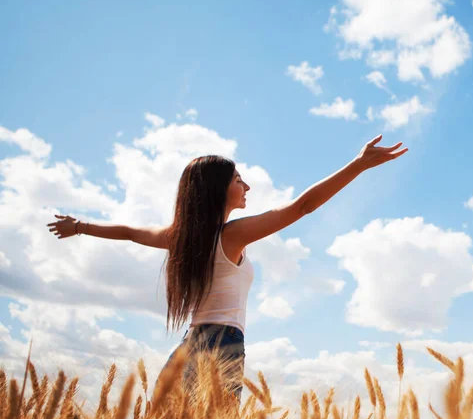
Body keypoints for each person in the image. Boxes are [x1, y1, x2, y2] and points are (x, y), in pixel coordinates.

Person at [47, 135, 408, 403]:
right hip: (223, 345)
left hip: (189, 346)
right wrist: (358, 165)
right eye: (238, 180)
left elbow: (127, 232)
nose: (246, 185)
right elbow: (303, 207)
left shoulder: (180, 238)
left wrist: (79, 226)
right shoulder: (231, 236)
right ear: (217, 191)